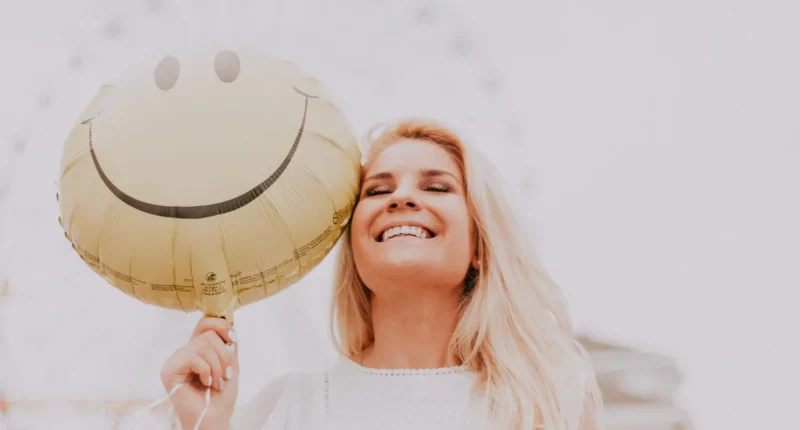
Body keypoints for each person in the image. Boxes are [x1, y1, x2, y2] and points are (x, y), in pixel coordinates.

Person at [160, 118, 603, 429]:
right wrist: (206, 426)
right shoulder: (289, 408)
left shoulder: (546, 408)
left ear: (480, 248)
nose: (402, 198)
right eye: (378, 190)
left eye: (436, 186)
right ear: (352, 245)